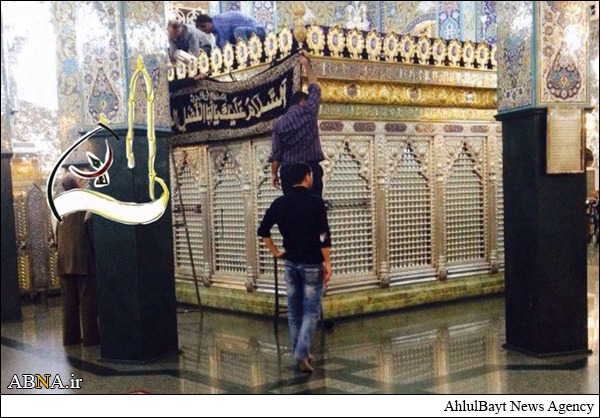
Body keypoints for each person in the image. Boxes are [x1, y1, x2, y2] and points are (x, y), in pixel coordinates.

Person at [257, 163, 332, 373]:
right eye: (310, 175)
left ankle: (301, 352)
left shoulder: (280, 203)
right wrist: (327, 262)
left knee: (294, 311)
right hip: (311, 263)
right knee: (311, 310)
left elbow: (263, 231)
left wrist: (275, 252)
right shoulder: (316, 202)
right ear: (307, 177)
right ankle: (301, 352)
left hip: (290, 263)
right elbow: (323, 235)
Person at [269, 52, 325, 197]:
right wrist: (307, 65)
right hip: (309, 170)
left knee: (292, 210)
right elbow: (315, 87)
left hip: (288, 172)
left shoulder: (278, 124)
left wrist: (274, 174)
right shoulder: (308, 110)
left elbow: (276, 155)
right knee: (313, 209)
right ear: (302, 101)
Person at [56, 173, 99, 346]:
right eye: (81, 180)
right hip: (83, 260)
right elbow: (91, 233)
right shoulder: (87, 204)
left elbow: (56, 235)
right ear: (76, 185)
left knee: (69, 303)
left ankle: (70, 338)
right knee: (88, 301)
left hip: (64, 260)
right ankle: (90, 338)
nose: (83, 183)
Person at [195, 12, 266, 49]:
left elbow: (225, 43)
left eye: (204, 31)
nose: (206, 33)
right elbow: (219, 46)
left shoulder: (219, 21)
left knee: (238, 31)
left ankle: (246, 57)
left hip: (258, 30)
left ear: (206, 25)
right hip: (247, 34)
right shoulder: (215, 31)